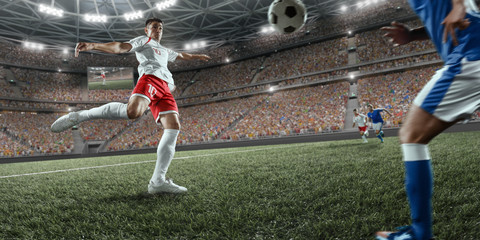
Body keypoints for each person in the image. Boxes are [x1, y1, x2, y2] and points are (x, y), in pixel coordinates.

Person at [51, 18, 211, 194]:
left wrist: (197, 56)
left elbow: (181, 55)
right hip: (151, 79)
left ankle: (158, 182)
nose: (158, 30)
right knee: (133, 112)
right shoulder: (144, 41)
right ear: (146, 30)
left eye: (161, 28)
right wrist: (92, 46)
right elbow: (120, 47)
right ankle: (82, 115)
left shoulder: (165, 50)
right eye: (154, 27)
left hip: (166, 88)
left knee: (173, 127)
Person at [376, 0, 480, 239]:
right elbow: (444, 19)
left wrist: (459, 5)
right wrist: (413, 36)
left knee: (412, 136)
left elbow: (456, 11)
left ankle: (420, 234)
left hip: (470, 53)